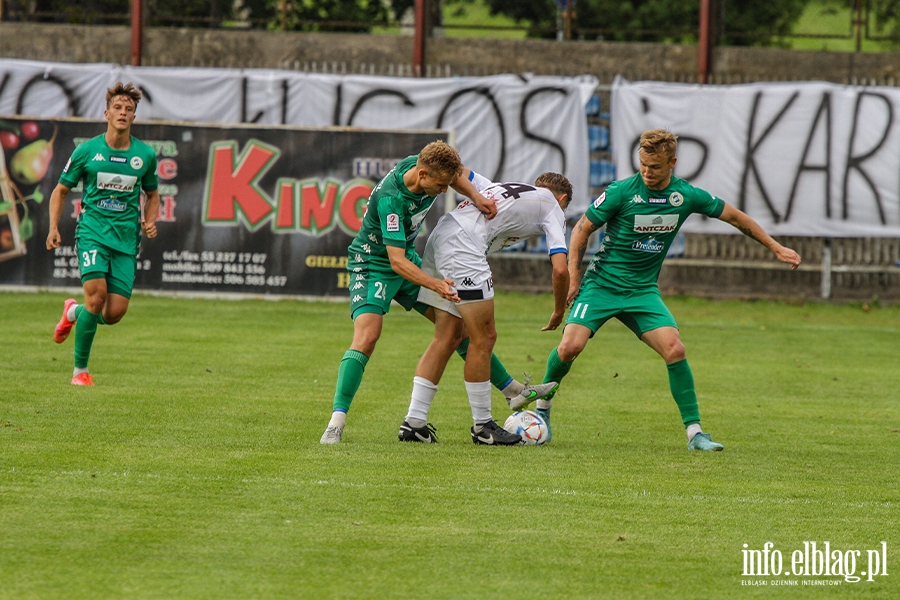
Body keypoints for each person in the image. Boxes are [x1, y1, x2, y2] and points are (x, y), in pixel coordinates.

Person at [517, 129, 801, 451]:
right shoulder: (621, 192)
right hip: (602, 285)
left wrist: (775, 247)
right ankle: (543, 409)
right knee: (569, 348)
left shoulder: (686, 196)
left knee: (675, 349)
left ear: (673, 163)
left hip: (642, 292)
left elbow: (734, 217)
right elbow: (581, 230)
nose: (647, 173)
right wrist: (575, 277)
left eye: (655, 167)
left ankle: (696, 434)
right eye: (643, 165)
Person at [320, 141, 556, 444]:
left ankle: (506, 393)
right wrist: (436, 285)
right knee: (367, 337)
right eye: (440, 185)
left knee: (455, 330)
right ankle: (336, 422)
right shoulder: (391, 200)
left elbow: (457, 176)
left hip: (408, 260)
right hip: (374, 264)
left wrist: (476, 195)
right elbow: (395, 261)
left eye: (448, 185)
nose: (445, 191)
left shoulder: (422, 164)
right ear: (422, 175)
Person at [399, 171, 573, 445]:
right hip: (464, 247)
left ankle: (414, 423)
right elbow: (561, 270)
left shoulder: (502, 187)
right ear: (562, 199)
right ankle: (483, 427)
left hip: (441, 234)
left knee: (448, 337)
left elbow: (457, 171)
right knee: (484, 337)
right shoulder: (553, 206)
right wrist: (558, 310)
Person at [46, 82, 160, 386]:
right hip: (93, 232)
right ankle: (79, 371)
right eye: (118, 108)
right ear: (107, 113)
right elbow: (60, 191)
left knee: (114, 313)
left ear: (134, 117)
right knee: (96, 297)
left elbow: (153, 194)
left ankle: (72, 312)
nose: (123, 113)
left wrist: (149, 220)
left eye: (129, 109)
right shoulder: (87, 150)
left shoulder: (144, 155)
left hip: (125, 239)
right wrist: (53, 227)